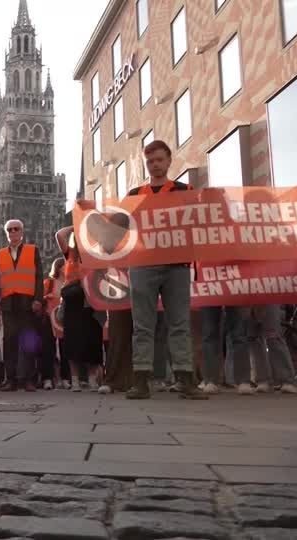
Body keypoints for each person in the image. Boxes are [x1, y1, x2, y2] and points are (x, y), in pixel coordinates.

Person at [124, 141, 206, 400]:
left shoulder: (185, 191)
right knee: (143, 325)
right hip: (143, 265)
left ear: (169, 161)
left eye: (159, 160)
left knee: (179, 323)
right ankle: (141, 381)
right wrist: (88, 211)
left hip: (176, 266)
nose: (155, 165)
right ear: (146, 165)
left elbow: (198, 220)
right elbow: (119, 224)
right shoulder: (134, 195)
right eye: (150, 161)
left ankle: (185, 379)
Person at [0, 219, 45, 392]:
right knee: (9, 342)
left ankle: (29, 379)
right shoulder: (0, 254)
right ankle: (11, 380)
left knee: (28, 342)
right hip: (8, 303)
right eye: (9, 230)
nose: (13, 232)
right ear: (6, 233)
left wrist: (38, 299)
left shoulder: (33, 250)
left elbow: (39, 276)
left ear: (22, 232)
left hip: (27, 303)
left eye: (16, 229)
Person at [55, 228, 103, 392]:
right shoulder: (70, 254)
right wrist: (75, 225)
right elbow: (59, 235)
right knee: (73, 341)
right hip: (73, 302)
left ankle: (92, 379)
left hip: (92, 302)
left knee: (93, 341)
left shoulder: (97, 254)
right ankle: (74, 379)